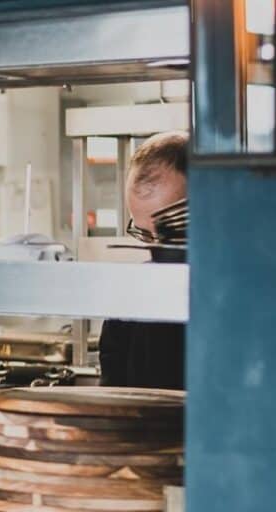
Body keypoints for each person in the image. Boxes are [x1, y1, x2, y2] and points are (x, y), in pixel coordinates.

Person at [99, 131, 188, 390]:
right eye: (145, 234)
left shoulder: (243, 297)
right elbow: (114, 398)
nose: (155, 248)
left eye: (169, 233)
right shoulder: (131, 297)